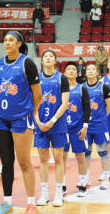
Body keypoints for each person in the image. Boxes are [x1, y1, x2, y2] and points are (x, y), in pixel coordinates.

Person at [0, 31, 41, 213]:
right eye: (5, 40)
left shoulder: (27, 63)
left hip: (21, 118)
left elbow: (38, 94)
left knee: (23, 162)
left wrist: (31, 114)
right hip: (1, 118)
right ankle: (7, 203)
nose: (7, 43)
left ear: (19, 43)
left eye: (11, 40)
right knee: (6, 162)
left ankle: (31, 204)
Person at [35, 50, 69, 207]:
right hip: (40, 124)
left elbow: (64, 103)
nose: (48, 58)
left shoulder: (61, 78)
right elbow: (32, 103)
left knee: (58, 158)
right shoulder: (36, 79)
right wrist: (37, 121)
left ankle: (58, 192)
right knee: (42, 159)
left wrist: (53, 120)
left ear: (55, 60)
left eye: (51, 56)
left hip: (57, 124)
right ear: (42, 61)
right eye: (45, 56)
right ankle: (44, 193)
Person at [62, 62, 91, 197]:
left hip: (77, 129)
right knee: (61, 158)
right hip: (62, 130)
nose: (72, 71)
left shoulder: (82, 89)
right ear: (65, 72)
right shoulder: (60, 89)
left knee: (80, 157)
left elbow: (87, 109)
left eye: (74, 69)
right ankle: (62, 185)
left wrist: (85, 126)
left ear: (77, 72)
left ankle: (83, 184)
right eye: (69, 69)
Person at [83, 64, 110, 189]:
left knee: (103, 152)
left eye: (93, 69)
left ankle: (106, 178)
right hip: (86, 126)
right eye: (88, 69)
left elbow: (109, 105)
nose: (90, 71)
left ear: (97, 72)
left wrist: (101, 118)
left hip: (100, 125)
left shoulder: (103, 87)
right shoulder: (81, 87)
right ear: (85, 73)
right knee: (86, 153)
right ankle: (86, 178)